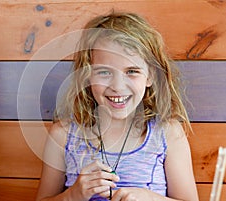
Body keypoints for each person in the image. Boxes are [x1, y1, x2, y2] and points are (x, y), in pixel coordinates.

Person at [36, 12, 199, 201]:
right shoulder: (63, 135)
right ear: (87, 76)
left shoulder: (168, 133)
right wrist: (72, 195)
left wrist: (150, 198)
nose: (118, 87)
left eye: (131, 71)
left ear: (151, 76)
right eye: (104, 72)